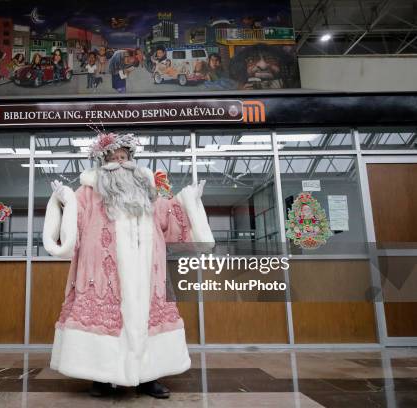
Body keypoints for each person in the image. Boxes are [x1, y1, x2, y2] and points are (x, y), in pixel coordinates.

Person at [43, 132, 214, 398]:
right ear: (103, 161)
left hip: (148, 273)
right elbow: (72, 227)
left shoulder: (149, 193)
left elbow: (169, 221)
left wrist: (189, 200)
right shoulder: (88, 192)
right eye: (113, 157)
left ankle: (148, 378)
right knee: (105, 320)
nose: (120, 162)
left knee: (148, 320)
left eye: (124, 157)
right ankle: (100, 378)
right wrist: (64, 200)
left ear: (131, 160)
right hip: (103, 272)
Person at [229, 44, 299, 89]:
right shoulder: (236, 86)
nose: (263, 66)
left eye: (271, 59)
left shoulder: (291, 86)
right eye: (251, 60)